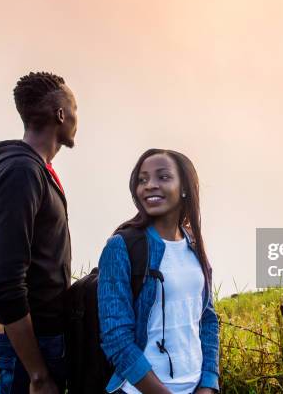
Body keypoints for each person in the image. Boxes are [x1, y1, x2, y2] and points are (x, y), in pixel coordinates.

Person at [0, 71, 78, 394]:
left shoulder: (33, 169)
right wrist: (38, 374)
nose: (78, 117)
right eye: (75, 108)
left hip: (40, 338)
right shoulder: (22, 173)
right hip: (30, 345)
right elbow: (6, 282)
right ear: (61, 114)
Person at [97, 149, 220, 394]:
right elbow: (116, 336)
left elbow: (207, 318)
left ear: (184, 187)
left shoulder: (194, 245)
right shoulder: (121, 247)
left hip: (195, 388)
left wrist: (208, 383)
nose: (150, 186)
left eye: (163, 177)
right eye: (142, 180)